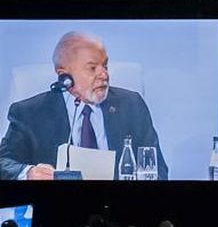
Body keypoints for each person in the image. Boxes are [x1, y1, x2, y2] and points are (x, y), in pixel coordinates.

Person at [0, 31, 168, 180]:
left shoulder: (131, 104)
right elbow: (4, 163)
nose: (104, 75)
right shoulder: (30, 113)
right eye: (92, 68)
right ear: (64, 75)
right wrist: (28, 173)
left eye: (105, 65)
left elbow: (157, 169)